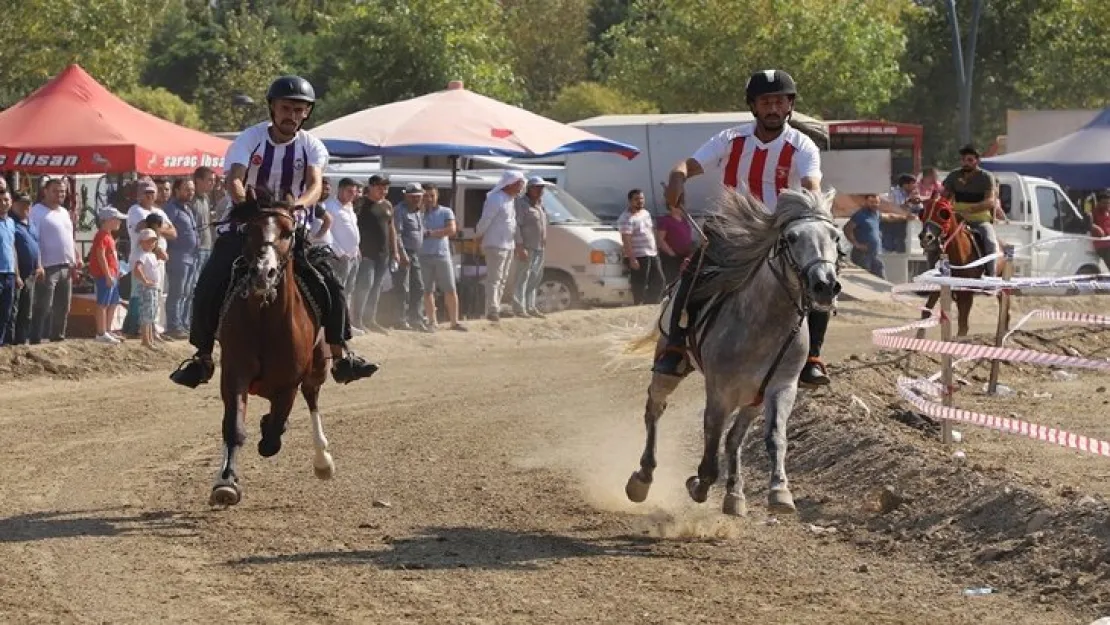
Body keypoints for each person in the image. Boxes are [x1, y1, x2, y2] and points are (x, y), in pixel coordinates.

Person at [170, 75, 379, 389]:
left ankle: (340, 354)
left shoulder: (312, 146)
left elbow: (314, 184)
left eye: (299, 110)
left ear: (306, 113)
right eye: (286, 108)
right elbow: (235, 180)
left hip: (290, 232)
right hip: (245, 228)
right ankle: (202, 356)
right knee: (209, 282)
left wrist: (297, 208)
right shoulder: (248, 139)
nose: (292, 116)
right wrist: (247, 205)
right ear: (272, 107)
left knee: (330, 285)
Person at [653, 69, 831, 386]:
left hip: (778, 235)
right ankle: (676, 347)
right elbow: (687, 165)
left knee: (820, 279)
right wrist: (677, 178)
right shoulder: (730, 139)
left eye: (780, 102)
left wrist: (812, 203)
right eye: (766, 102)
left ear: (789, 105)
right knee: (691, 275)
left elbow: (810, 184)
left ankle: (812, 357)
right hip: (731, 231)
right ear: (753, 106)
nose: (773, 109)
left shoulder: (803, 146)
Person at [941, 144, 1000, 278]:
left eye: (969, 160)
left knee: (990, 242)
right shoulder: (953, 176)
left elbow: (990, 201)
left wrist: (970, 210)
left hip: (979, 220)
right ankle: (934, 273)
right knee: (935, 240)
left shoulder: (986, 177)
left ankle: (991, 276)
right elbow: (944, 197)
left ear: (977, 161)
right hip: (956, 220)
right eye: (963, 160)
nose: (965, 163)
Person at [88, 207, 127, 344]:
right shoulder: (101, 235)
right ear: (108, 220)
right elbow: (101, 256)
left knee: (113, 302)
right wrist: (107, 274)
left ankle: (108, 330)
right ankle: (101, 332)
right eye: (117, 219)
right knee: (103, 303)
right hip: (105, 275)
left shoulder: (108, 236)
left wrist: (117, 271)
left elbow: (111, 257)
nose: (119, 223)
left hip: (112, 274)